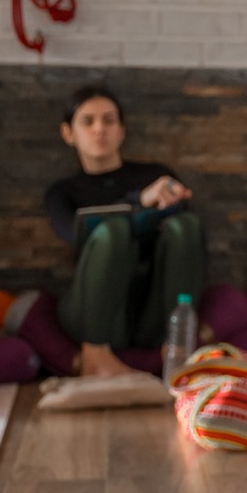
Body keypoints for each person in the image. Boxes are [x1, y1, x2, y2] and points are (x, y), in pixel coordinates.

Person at [43, 84, 206, 378]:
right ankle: (95, 356)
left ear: (121, 130)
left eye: (109, 120)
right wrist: (140, 202)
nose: (99, 129)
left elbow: (188, 241)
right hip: (96, 312)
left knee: (187, 225)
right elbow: (76, 236)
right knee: (112, 231)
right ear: (68, 133)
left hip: (151, 313)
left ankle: (178, 350)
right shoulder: (62, 193)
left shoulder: (154, 174)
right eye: (87, 121)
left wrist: (172, 198)